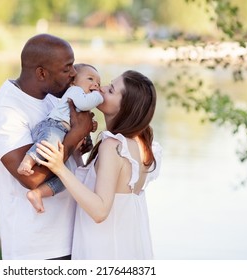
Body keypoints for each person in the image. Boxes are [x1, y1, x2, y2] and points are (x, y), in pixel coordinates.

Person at [0, 34, 95, 260]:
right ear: (41, 73)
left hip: (75, 237)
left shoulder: (55, 98)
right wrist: (74, 136)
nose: (74, 73)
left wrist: (80, 144)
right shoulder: (6, 110)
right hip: (37, 247)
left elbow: (68, 152)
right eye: (67, 69)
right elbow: (31, 177)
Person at [35, 70, 162, 259]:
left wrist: (59, 168)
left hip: (104, 251)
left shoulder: (112, 146)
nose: (100, 89)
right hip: (125, 248)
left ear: (125, 107)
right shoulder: (143, 145)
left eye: (110, 90)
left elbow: (100, 211)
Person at [18, 63, 103, 213]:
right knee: (50, 143)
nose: (95, 84)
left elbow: (80, 122)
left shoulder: (81, 97)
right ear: (73, 82)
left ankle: (38, 193)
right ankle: (28, 160)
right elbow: (83, 105)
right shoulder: (74, 91)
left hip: (62, 133)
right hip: (53, 127)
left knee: (66, 178)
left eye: (98, 83)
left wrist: (90, 127)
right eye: (90, 79)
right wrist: (98, 95)